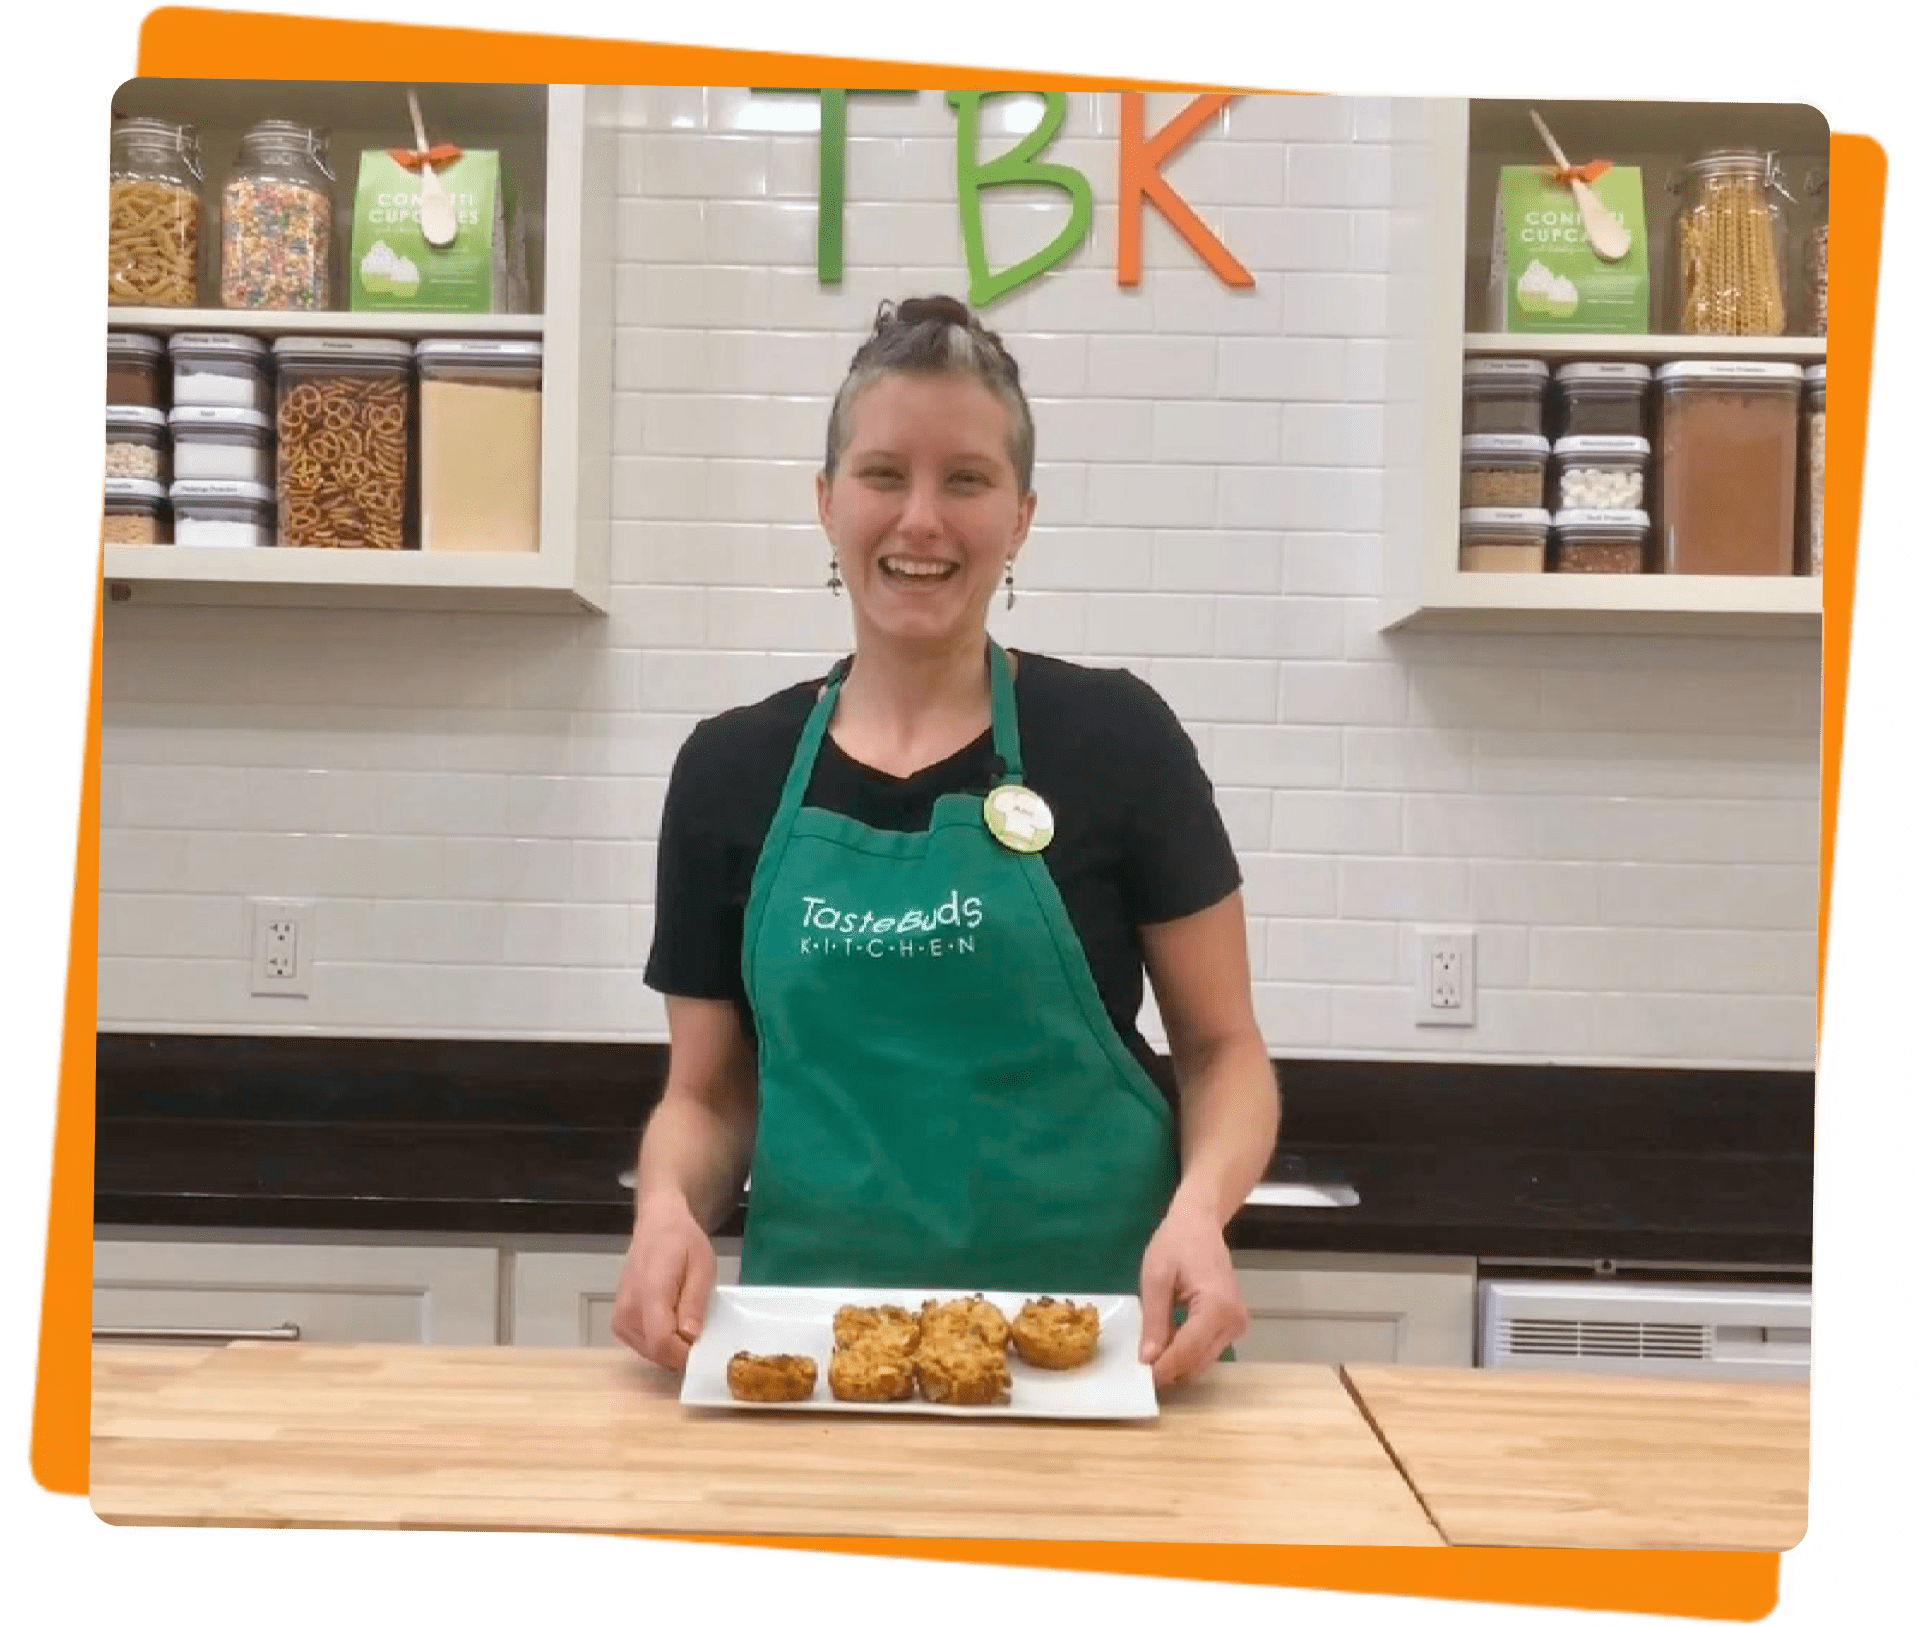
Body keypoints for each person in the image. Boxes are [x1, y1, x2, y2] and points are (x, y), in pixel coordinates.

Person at [611, 293, 1279, 1388]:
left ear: (1019, 516)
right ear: (828, 504)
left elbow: (1223, 1051)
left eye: (966, 479)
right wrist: (669, 1210)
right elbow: (708, 1092)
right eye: (883, 475)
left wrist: (1202, 1213)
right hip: (817, 1353)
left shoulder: (1118, 739)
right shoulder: (729, 772)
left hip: (1108, 1351)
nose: (921, 518)